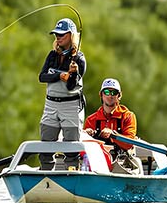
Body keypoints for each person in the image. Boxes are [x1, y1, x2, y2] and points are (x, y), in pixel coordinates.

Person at [37, 18, 86, 170]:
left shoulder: (79, 59)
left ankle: (71, 173)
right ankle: (45, 174)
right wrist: (60, 75)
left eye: (61, 34)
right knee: (45, 145)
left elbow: (71, 86)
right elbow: (42, 77)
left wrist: (73, 74)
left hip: (70, 106)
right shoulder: (52, 56)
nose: (57, 37)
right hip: (51, 104)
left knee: (71, 148)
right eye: (56, 34)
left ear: (71, 36)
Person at [84, 78, 141, 174]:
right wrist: (86, 135)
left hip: (122, 163)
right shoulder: (91, 119)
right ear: (101, 95)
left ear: (119, 96)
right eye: (106, 92)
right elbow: (84, 148)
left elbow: (129, 144)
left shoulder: (128, 116)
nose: (110, 95)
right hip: (96, 164)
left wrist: (113, 135)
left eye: (114, 92)